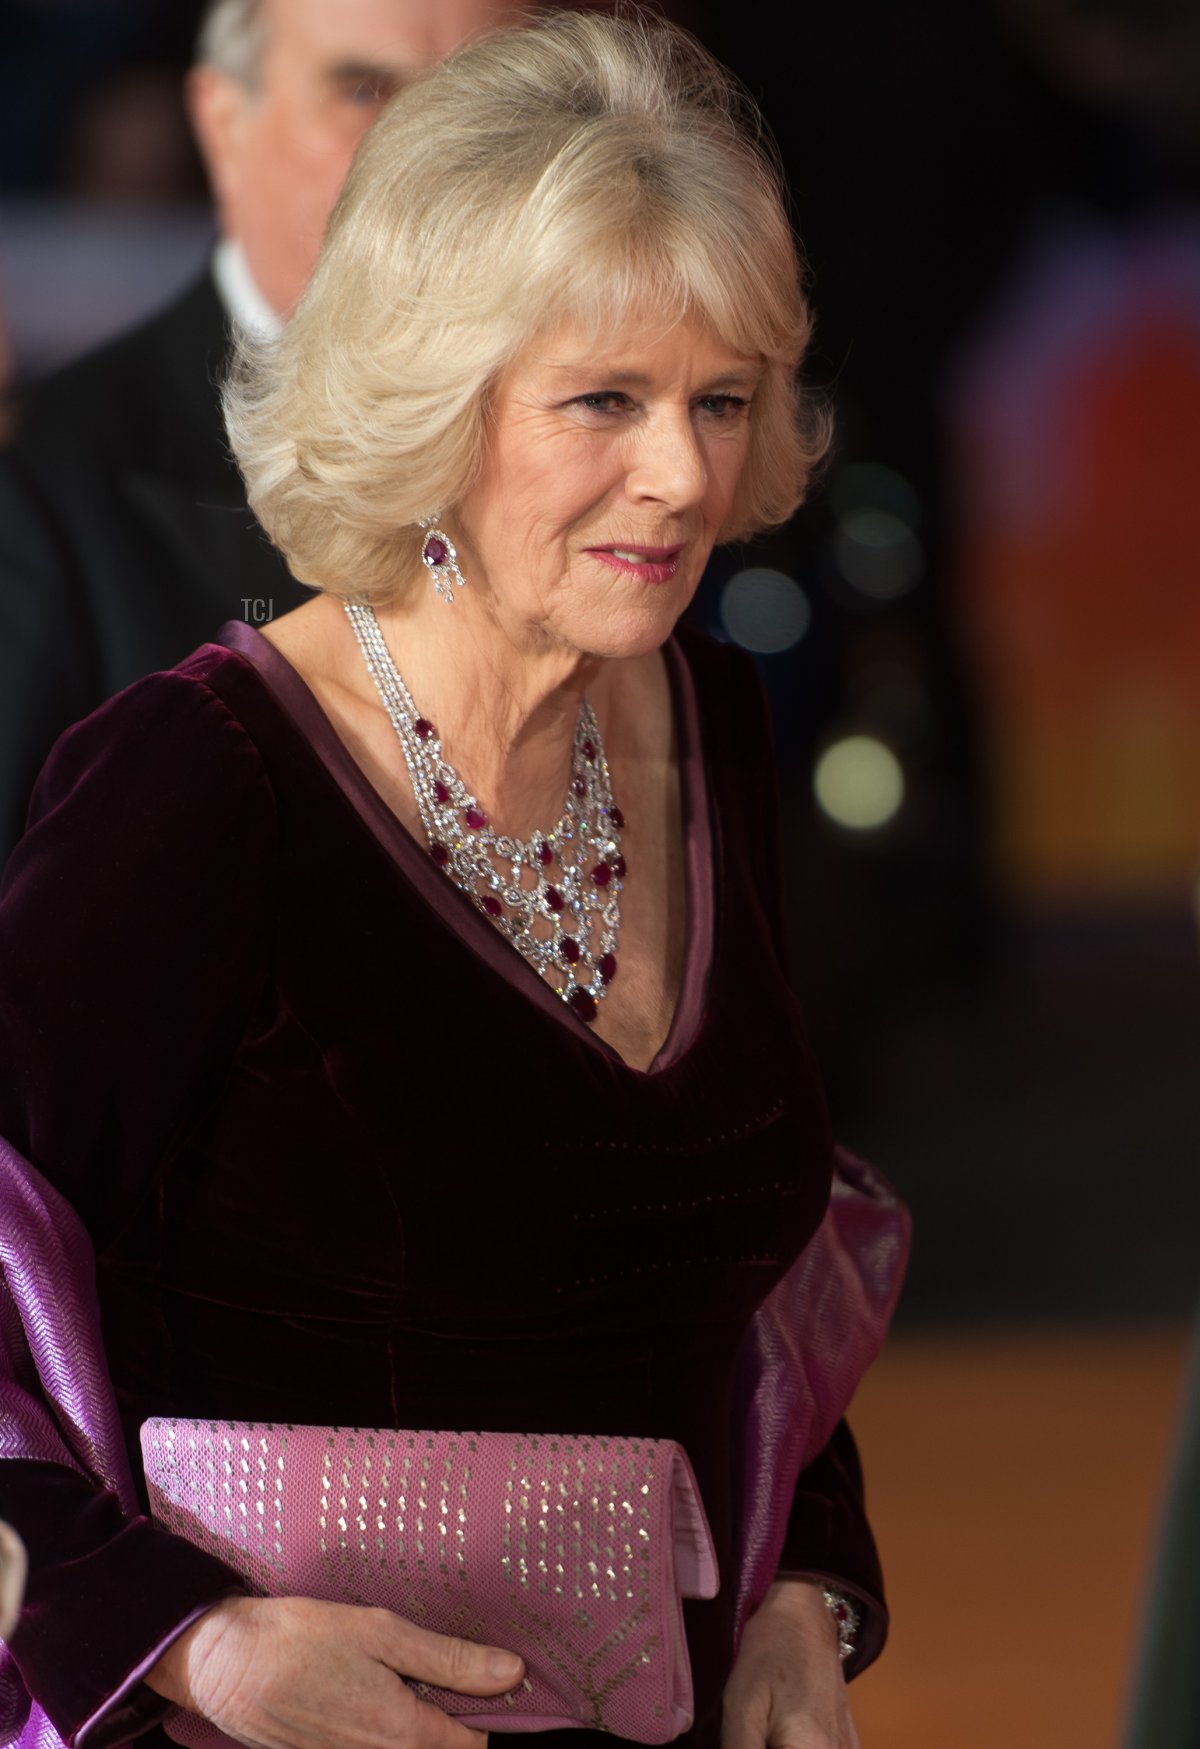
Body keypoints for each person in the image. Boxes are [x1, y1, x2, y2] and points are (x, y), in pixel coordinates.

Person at [0, 14, 902, 1749]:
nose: (686, 474)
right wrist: (185, 1642)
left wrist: (804, 1584)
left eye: (724, 398)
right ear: (433, 400)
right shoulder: (202, 776)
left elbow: (746, 1270)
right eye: (602, 401)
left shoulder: (706, 721)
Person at [0, 0, 524, 869]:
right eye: (364, 89)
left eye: (486, 99)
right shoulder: (45, 488)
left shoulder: (632, 449)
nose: (435, 153)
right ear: (223, 119)